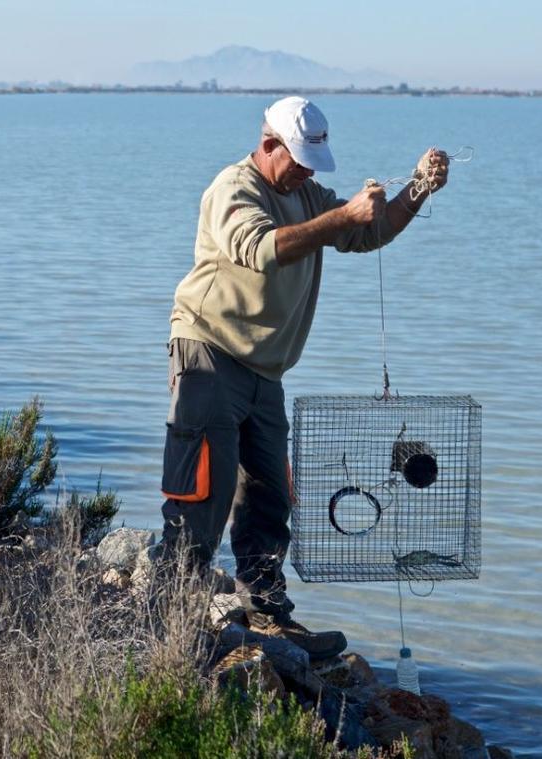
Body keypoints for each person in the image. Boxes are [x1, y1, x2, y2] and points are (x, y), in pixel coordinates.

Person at [159, 96, 448, 659]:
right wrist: (343, 216)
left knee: (270, 497)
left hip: (265, 369)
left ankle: (268, 618)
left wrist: (417, 189)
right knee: (203, 499)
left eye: (314, 163)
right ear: (269, 146)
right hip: (208, 353)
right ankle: (169, 628)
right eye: (299, 160)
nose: (309, 173)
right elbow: (261, 249)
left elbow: (369, 233)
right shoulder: (233, 189)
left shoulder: (305, 193)